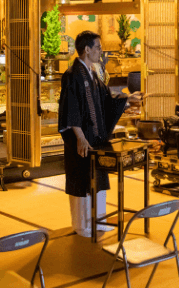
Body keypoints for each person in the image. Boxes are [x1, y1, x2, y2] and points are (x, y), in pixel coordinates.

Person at [58, 30, 142, 237]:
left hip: (96, 137)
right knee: (83, 181)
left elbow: (106, 100)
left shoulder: (93, 74)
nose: (101, 52)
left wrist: (129, 99)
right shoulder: (72, 75)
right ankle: (82, 225)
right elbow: (71, 109)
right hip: (83, 141)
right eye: (98, 48)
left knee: (99, 179)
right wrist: (80, 137)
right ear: (87, 49)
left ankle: (99, 220)